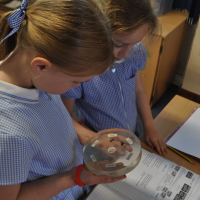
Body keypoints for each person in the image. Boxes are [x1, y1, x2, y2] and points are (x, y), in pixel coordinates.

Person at [0, 0, 127, 199]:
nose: (76, 87)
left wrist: (89, 138)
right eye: (75, 81)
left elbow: (55, 118)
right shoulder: (7, 134)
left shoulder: (39, 79)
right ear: (41, 66)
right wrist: (74, 177)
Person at [61, 0, 168, 155]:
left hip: (131, 134)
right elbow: (64, 115)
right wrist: (94, 138)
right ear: (96, 33)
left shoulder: (135, 52)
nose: (126, 53)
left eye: (135, 42)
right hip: (99, 141)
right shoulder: (82, 71)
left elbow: (139, 90)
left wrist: (149, 126)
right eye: (119, 44)